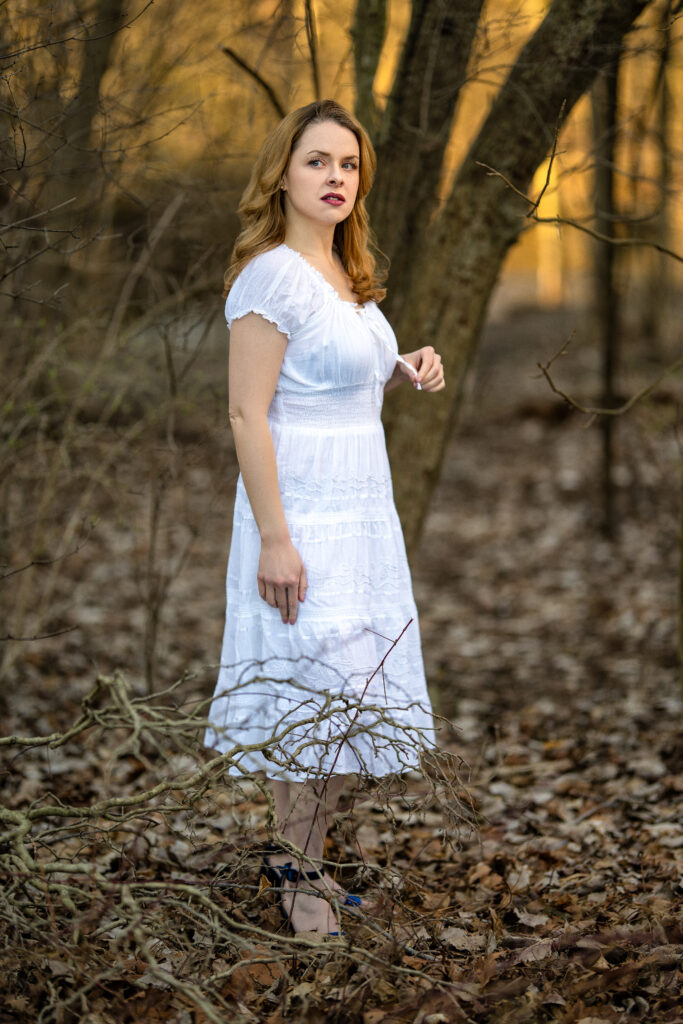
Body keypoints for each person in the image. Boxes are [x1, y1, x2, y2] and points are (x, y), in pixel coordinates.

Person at [204, 99, 445, 936]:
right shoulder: (270, 275)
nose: (335, 177)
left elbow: (335, 382)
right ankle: (294, 871)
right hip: (298, 509)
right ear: (283, 173)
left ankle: (302, 856)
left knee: (347, 693)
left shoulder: (349, 274)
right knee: (305, 693)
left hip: (362, 514)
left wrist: (399, 365)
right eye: (316, 161)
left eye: (346, 164)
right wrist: (275, 537)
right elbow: (247, 413)